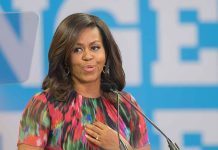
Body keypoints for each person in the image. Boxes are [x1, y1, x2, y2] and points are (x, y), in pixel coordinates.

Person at [17, 13, 151, 150]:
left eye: (95, 48)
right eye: (77, 50)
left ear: (106, 53)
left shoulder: (126, 104)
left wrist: (120, 147)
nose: (87, 56)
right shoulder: (43, 104)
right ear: (65, 58)